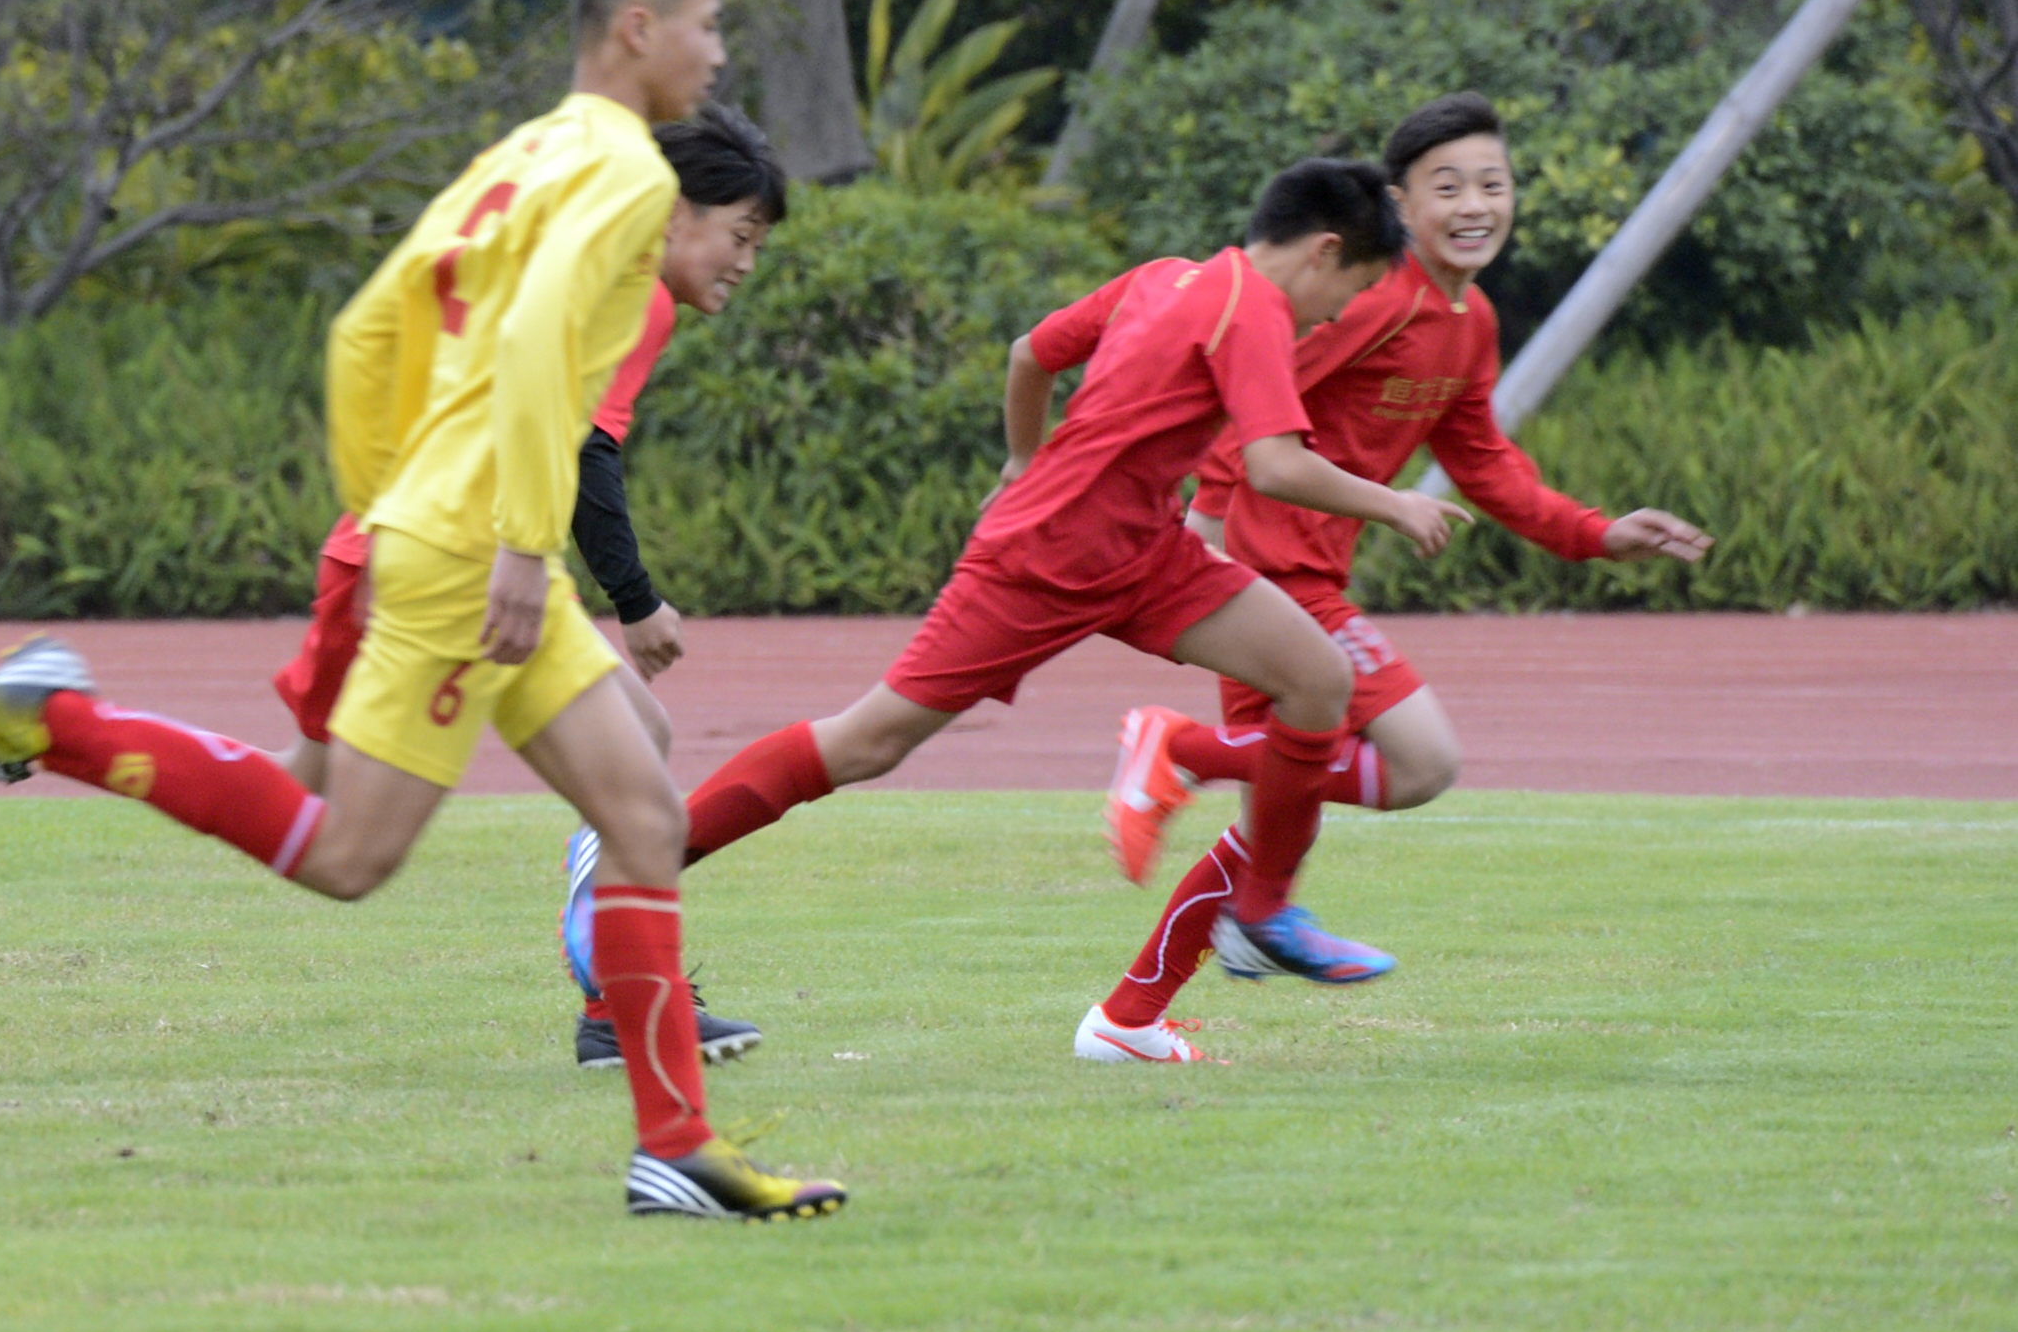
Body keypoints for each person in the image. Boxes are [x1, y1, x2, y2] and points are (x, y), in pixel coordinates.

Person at [0, 0, 844, 1223]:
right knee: (343, 851)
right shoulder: (623, 169)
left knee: (640, 812)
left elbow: (361, 328)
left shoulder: (519, 153)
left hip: (447, 526)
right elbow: (525, 341)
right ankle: (58, 723)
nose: (716, 51)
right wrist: (490, 537)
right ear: (640, 25)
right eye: (708, 23)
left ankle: (672, 1147)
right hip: (471, 549)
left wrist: (385, 495)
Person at [647, 157, 1463, 1046]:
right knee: (867, 741)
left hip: (1145, 552)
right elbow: (1273, 464)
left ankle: (1261, 910)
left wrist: (1021, 458)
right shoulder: (1256, 307)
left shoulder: (1164, 279)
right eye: (1347, 293)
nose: (1336, 316)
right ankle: (644, 860)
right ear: (1323, 251)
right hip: (1043, 561)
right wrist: (1395, 503)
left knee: (1316, 677)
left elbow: (1029, 353)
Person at [1080, 91, 1713, 1062]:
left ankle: (1125, 1020)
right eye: (1446, 186)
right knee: (1422, 762)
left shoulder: (1470, 320)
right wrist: (1205, 525)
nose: (1474, 204)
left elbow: (1485, 461)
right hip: (1269, 569)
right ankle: (1182, 757)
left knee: (1276, 815)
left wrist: (1596, 534)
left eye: (1492, 184)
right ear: (1399, 204)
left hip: (1292, 568)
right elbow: (1244, 380)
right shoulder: (1371, 296)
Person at [232, 102, 787, 1074]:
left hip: (464, 555)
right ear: (673, 216)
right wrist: (638, 598)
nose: (746, 261)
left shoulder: (590, 258)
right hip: (434, 565)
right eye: (739, 235)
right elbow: (585, 449)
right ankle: (62, 727)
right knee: (319, 825)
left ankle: (620, 1016)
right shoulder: (633, 290)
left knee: (637, 763)